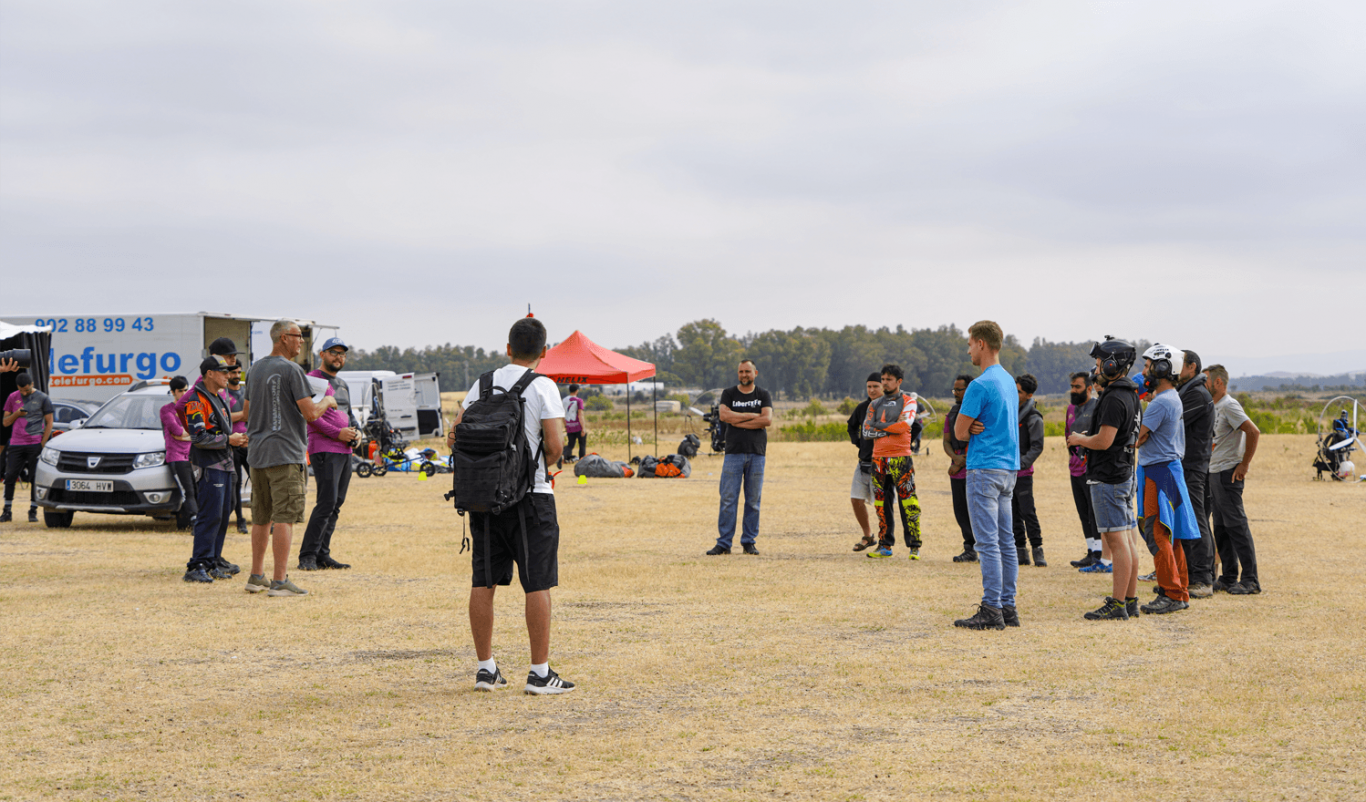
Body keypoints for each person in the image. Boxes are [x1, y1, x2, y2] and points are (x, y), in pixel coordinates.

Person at [456, 317, 573, 694]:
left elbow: (456, 434)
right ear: (544, 352)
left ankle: (485, 669)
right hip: (531, 496)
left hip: (483, 496)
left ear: (507, 348)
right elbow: (555, 446)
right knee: (536, 582)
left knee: (483, 581)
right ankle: (540, 673)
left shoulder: (482, 384)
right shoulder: (543, 385)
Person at [245, 320, 336, 597]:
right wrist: (328, 402)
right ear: (284, 338)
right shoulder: (292, 370)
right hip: (285, 453)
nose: (301, 342)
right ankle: (280, 580)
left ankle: (256, 576)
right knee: (285, 516)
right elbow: (310, 413)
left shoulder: (255, 369)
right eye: (298, 337)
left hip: (258, 454)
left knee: (261, 517)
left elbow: (247, 413)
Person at [1068, 337, 1144, 621]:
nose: (1096, 367)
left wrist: (1079, 439)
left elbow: (1104, 441)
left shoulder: (1113, 398)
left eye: (1100, 362)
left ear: (1112, 364)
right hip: (1122, 474)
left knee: (1117, 541)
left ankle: (1117, 603)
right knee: (1126, 539)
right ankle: (1130, 599)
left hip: (1110, 477)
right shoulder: (1130, 394)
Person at [952, 321, 1021, 631]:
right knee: (1007, 541)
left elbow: (959, 432)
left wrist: (972, 427)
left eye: (970, 343)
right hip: (1009, 469)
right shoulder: (1008, 381)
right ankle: (1008, 606)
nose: (968, 349)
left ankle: (990, 608)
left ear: (981, 343)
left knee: (987, 542)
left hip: (984, 468)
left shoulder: (979, 385)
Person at [1134, 345, 1195, 615]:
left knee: (1158, 532)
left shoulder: (1160, 402)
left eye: (1148, 366)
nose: (1144, 371)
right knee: (1172, 534)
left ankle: (1170, 593)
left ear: (1161, 368)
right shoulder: (1171, 397)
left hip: (1158, 471)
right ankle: (1180, 589)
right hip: (1169, 469)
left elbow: (1138, 438)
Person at [183, 357, 249, 583]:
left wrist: (237, 440)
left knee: (222, 515)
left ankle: (211, 563)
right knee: (209, 515)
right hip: (209, 465)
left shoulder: (219, 397)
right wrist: (229, 440)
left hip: (225, 463)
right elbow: (198, 437)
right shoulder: (196, 400)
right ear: (209, 373)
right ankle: (196, 565)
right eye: (223, 371)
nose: (228, 375)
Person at [298, 337, 361, 571]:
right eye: (334, 352)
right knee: (325, 503)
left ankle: (323, 554)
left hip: (345, 450)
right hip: (324, 448)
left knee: (336, 503)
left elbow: (350, 415)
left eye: (343, 354)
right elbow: (311, 416)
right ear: (322, 354)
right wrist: (338, 434)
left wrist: (358, 433)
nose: (338, 357)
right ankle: (307, 556)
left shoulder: (342, 384)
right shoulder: (313, 380)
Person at [707, 360, 773, 556]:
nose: (744, 375)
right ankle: (724, 543)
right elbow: (724, 416)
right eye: (741, 371)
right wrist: (753, 417)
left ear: (755, 373)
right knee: (728, 499)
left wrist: (738, 419)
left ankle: (748, 542)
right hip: (733, 453)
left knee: (753, 500)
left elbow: (767, 419)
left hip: (756, 453)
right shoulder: (729, 393)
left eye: (748, 371)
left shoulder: (763, 394)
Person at [1206, 365, 1262, 595]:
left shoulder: (1229, 405)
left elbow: (1253, 431)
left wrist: (1244, 463)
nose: (1204, 384)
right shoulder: (1214, 407)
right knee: (1221, 527)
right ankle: (1229, 577)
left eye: (1206, 380)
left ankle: (1250, 580)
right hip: (1214, 473)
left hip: (1228, 473)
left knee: (1237, 526)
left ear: (1219, 382)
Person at [864, 364, 922, 560]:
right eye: (883, 379)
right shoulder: (874, 404)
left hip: (901, 458)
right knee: (881, 503)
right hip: (878, 459)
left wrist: (878, 427)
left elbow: (905, 425)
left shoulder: (909, 401)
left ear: (899, 381)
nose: (884, 383)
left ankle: (914, 546)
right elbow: (865, 432)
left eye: (889, 379)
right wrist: (890, 427)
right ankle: (885, 545)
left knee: (908, 501)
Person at [1176, 350, 1215, 597]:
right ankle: (1189, 575)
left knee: (1195, 519)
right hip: (1186, 465)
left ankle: (1203, 579)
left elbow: (1172, 422)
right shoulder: (1188, 392)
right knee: (1186, 520)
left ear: (1192, 367)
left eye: (1177, 365)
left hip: (1193, 467)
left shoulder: (1197, 394)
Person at [2, 372, 54, 524]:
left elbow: (49, 422)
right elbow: (5, 422)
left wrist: (42, 443)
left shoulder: (43, 398)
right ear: (17, 387)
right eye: (21, 390)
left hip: (34, 443)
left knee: (34, 478)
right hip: (16, 443)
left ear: (32, 384)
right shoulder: (12, 397)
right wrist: (17, 414)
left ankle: (33, 511)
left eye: (27, 389)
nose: (24, 393)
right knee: (10, 476)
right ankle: (7, 510)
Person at [1066, 372, 1104, 569]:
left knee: (1093, 513)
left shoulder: (1097, 406)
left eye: (1077, 387)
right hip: (1074, 470)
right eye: (1072, 386)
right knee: (1083, 513)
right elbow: (1067, 435)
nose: (1073, 390)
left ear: (1089, 388)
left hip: (1090, 469)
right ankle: (1090, 552)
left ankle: (1099, 554)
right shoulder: (1071, 408)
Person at [1012, 374, 1046, 567]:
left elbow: (1037, 446)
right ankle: (1020, 552)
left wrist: (1022, 464)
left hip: (1023, 473)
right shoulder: (1010, 413)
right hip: (1009, 472)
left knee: (1028, 512)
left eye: (1019, 392)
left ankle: (1037, 549)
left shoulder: (1033, 417)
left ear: (1029, 395)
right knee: (1013, 513)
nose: (1015, 394)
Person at [847, 373, 884, 551]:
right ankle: (868, 535)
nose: (871, 390)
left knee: (881, 504)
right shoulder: (862, 408)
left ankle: (885, 540)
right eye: (869, 386)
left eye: (875, 386)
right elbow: (851, 425)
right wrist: (859, 442)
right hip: (863, 462)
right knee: (856, 499)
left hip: (883, 463)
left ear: (884, 386)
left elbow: (914, 427)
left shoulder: (891, 407)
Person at [945, 375, 977, 562]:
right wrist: (955, 459)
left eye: (959, 389)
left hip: (974, 468)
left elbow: (978, 438)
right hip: (957, 470)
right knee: (961, 511)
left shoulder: (978, 411)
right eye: (954, 390)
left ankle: (985, 549)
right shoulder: (953, 412)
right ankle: (969, 548)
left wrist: (961, 462)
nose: (955, 393)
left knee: (978, 511)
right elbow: (946, 440)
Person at [161, 376, 196, 531]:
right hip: (176, 456)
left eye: (185, 389)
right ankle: (194, 521)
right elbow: (176, 431)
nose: (183, 393)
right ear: (173, 392)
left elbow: (199, 431)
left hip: (192, 455)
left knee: (197, 489)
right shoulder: (166, 410)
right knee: (187, 490)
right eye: (180, 390)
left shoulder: (191, 408)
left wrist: (187, 435)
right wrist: (189, 433)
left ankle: (195, 520)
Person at [224, 364, 250, 534]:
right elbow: (223, 417)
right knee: (236, 484)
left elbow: (254, 414)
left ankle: (265, 519)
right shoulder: (224, 394)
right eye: (233, 372)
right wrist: (242, 414)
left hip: (248, 442)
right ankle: (240, 520)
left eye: (238, 372)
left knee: (260, 481)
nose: (236, 375)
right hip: (232, 444)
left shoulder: (246, 391)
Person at [562, 384, 587, 465]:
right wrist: (583, 428)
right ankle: (582, 461)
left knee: (570, 444)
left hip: (569, 425)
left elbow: (562, 414)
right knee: (582, 444)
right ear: (577, 390)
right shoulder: (579, 400)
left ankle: (564, 457)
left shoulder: (564, 400)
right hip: (578, 426)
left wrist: (565, 425)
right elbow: (580, 415)